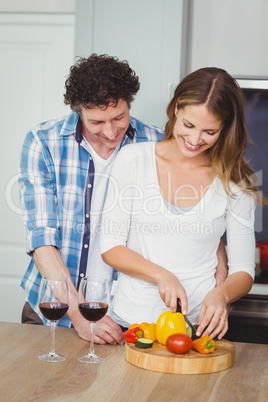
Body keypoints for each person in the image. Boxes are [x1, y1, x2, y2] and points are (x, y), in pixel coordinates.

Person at [19, 55, 227, 345]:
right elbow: (42, 238)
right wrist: (78, 313)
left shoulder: (156, 143)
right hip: (55, 310)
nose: (110, 131)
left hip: (125, 317)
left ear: (129, 102)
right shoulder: (44, 142)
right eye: (96, 122)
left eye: (119, 117)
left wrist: (221, 280)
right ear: (78, 111)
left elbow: (198, 214)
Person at [100, 67, 264, 340]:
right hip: (133, 323)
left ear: (225, 128)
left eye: (209, 131)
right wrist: (162, 275)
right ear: (176, 109)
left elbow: (243, 271)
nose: (195, 139)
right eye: (188, 125)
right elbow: (111, 247)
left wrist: (221, 295)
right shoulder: (133, 160)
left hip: (199, 328)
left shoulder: (236, 182)